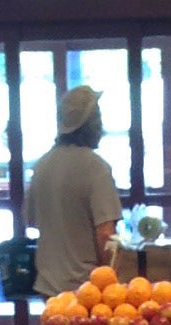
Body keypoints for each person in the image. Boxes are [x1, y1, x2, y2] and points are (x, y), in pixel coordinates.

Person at [26, 83, 120, 299]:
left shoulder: (42, 165)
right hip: (85, 289)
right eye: (99, 118)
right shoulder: (96, 167)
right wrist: (107, 282)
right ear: (93, 125)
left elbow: (30, 220)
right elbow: (105, 234)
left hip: (48, 285)